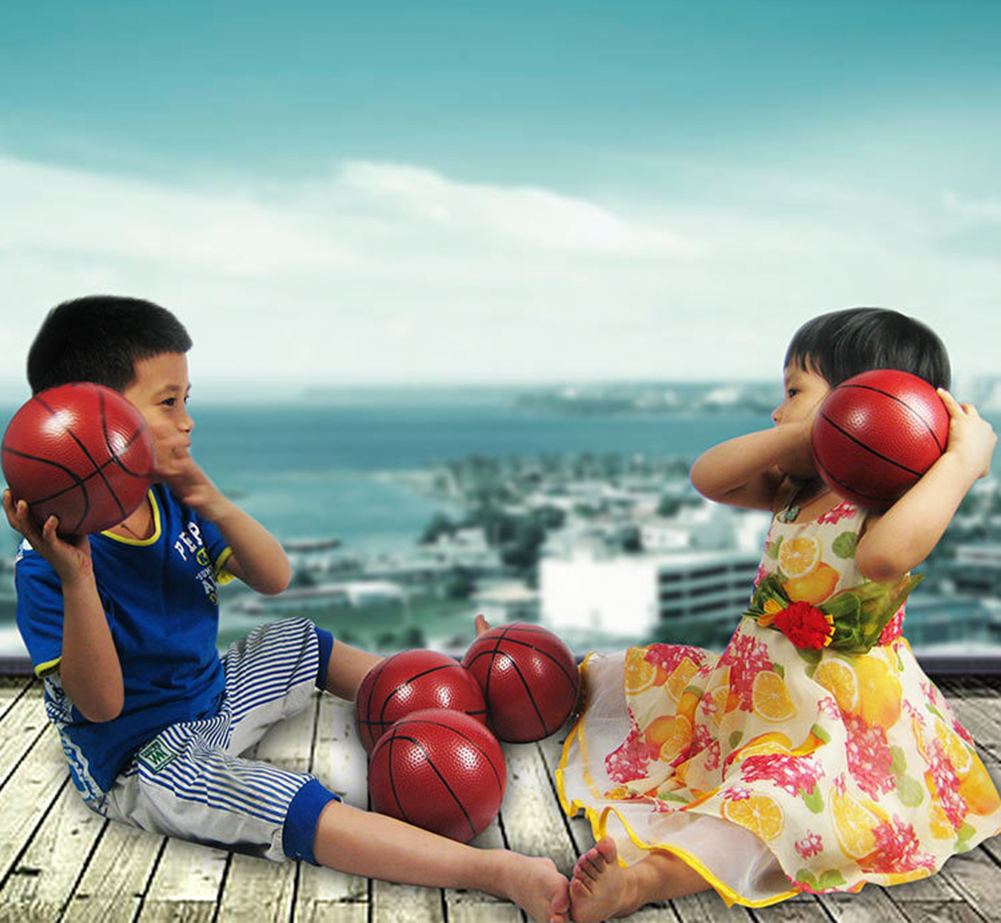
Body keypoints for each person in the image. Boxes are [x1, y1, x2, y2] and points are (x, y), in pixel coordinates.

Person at [6, 295, 570, 923]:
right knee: (282, 799)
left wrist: (210, 499)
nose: (188, 421)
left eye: (186, 399)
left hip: (211, 695)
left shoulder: (171, 501)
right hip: (146, 759)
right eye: (169, 402)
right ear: (94, 423)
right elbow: (102, 705)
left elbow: (274, 576)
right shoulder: (47, 570)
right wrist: (78, 577)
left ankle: (463, 703)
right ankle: (492, 870)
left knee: (295, 638)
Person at [556, 307, 1001, 918]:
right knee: (635, 674)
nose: (776, 409)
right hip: (749, 696)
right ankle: (523, 675)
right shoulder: (798, 486)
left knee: (777, 804)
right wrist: (803, 434)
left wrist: (961, 463)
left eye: (794, 391)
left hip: (835, 726)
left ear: (870, 403)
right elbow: (708, 476)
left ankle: (643, 882)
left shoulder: (887, 503)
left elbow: (882, 558)